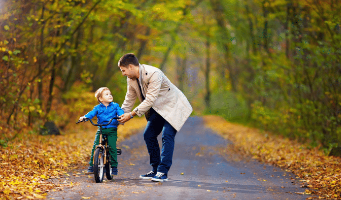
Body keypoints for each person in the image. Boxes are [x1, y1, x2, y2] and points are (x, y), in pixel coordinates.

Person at [117, 53, 193, 182]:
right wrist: (119, 117)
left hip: (173, 106)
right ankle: (156, 169)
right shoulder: (131, 79)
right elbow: (129, 99)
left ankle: (162, 172)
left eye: (123, 70)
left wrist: (131, 115)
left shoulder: (154, 73)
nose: (123, 73)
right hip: (158, 108)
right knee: (148, 135)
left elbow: (150, 99)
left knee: (167, 135)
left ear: (130, 66)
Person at [79, 87, 124, 175]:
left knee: (112, 147)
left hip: (111, 130)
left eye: (110, 94)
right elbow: (91, 113)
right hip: (101, 129)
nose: (110, 95)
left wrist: (121, 115)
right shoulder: (97, 108)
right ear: (100, 99)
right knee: (95, 146)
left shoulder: (115, 106)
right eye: (106, 94)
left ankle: (114, 166)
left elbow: (120, 111)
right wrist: (85, 117)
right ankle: (92, 166)